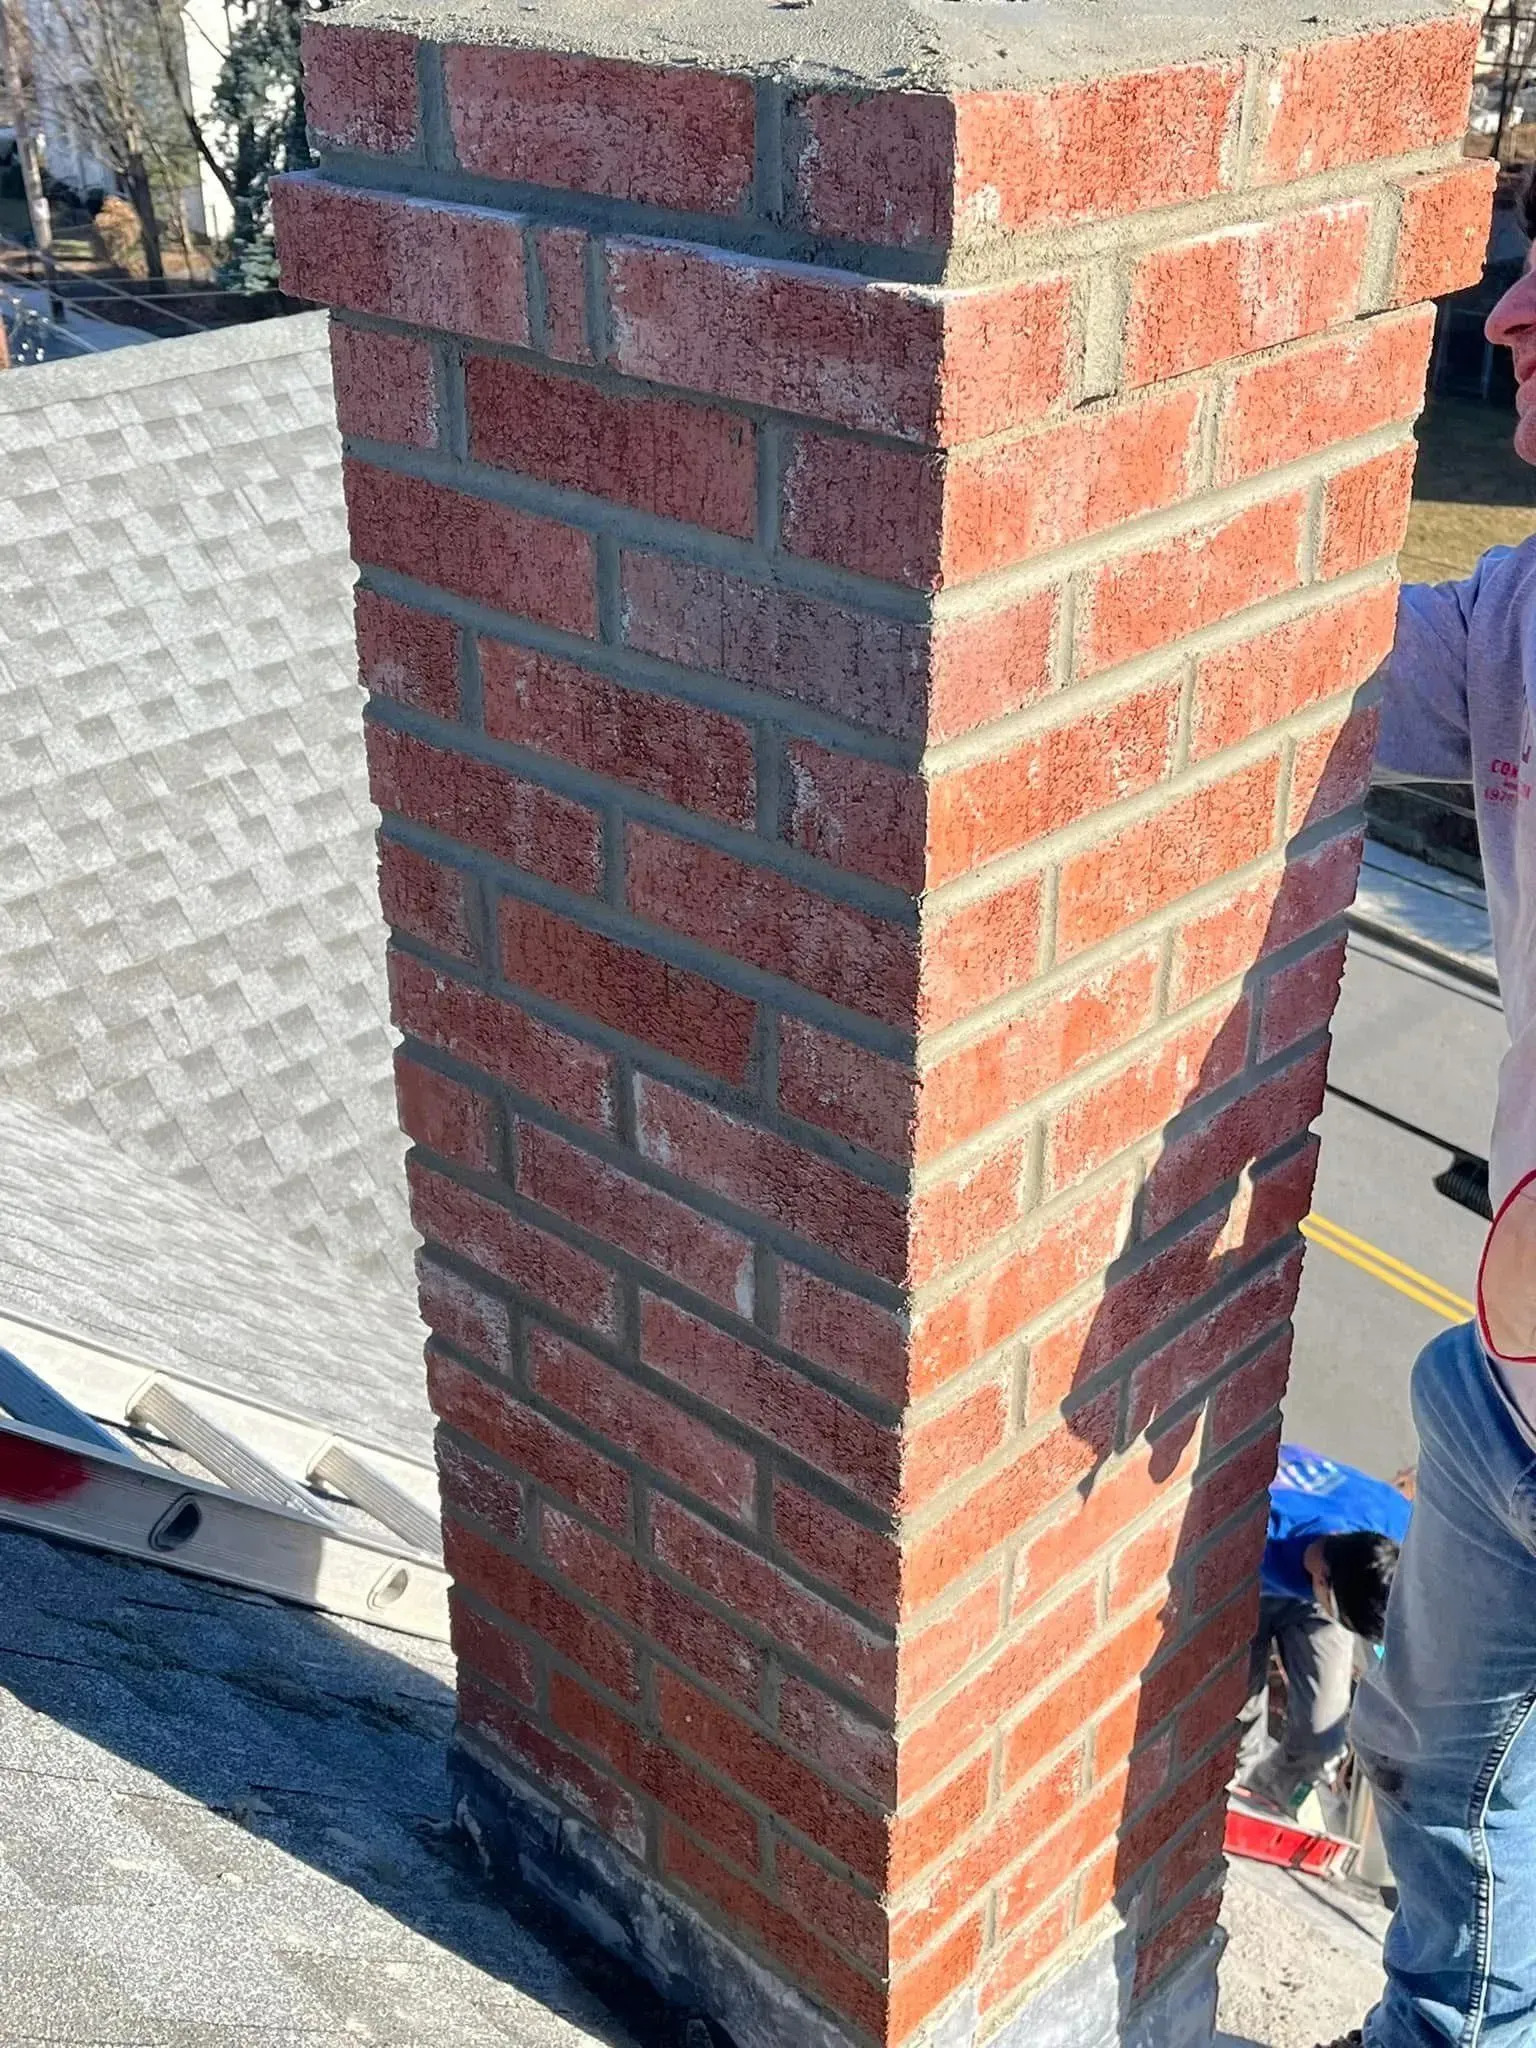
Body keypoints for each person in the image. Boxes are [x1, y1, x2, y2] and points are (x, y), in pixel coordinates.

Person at [1318, 179, 1536, 2048]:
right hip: (1503, 1399)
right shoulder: (1520, 615)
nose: (1515, 320)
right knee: (1444, 1792)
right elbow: (1289, 662)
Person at [1237, 1446, 1408, 1816]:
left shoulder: (1397, 1528)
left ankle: (1262, 1796)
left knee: (1323, 1736)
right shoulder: (1257, 1523)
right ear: (1322, 1578)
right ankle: (1233, 1779)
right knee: (1230, 1715)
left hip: (1320, 1595)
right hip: (1238, 1585)